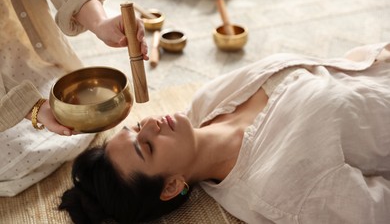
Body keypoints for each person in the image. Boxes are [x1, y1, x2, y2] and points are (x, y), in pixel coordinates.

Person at [59, 42, 390, 224]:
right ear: (172, 186)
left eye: (135, 128)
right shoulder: (280, 189)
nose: (150, 125)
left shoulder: (207, 101)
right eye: (146, 146)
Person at [0, 0, 148, 197]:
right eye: (146, 148)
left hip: (14, 38)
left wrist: (99, 22)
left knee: (73, 116)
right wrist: (32, 108)